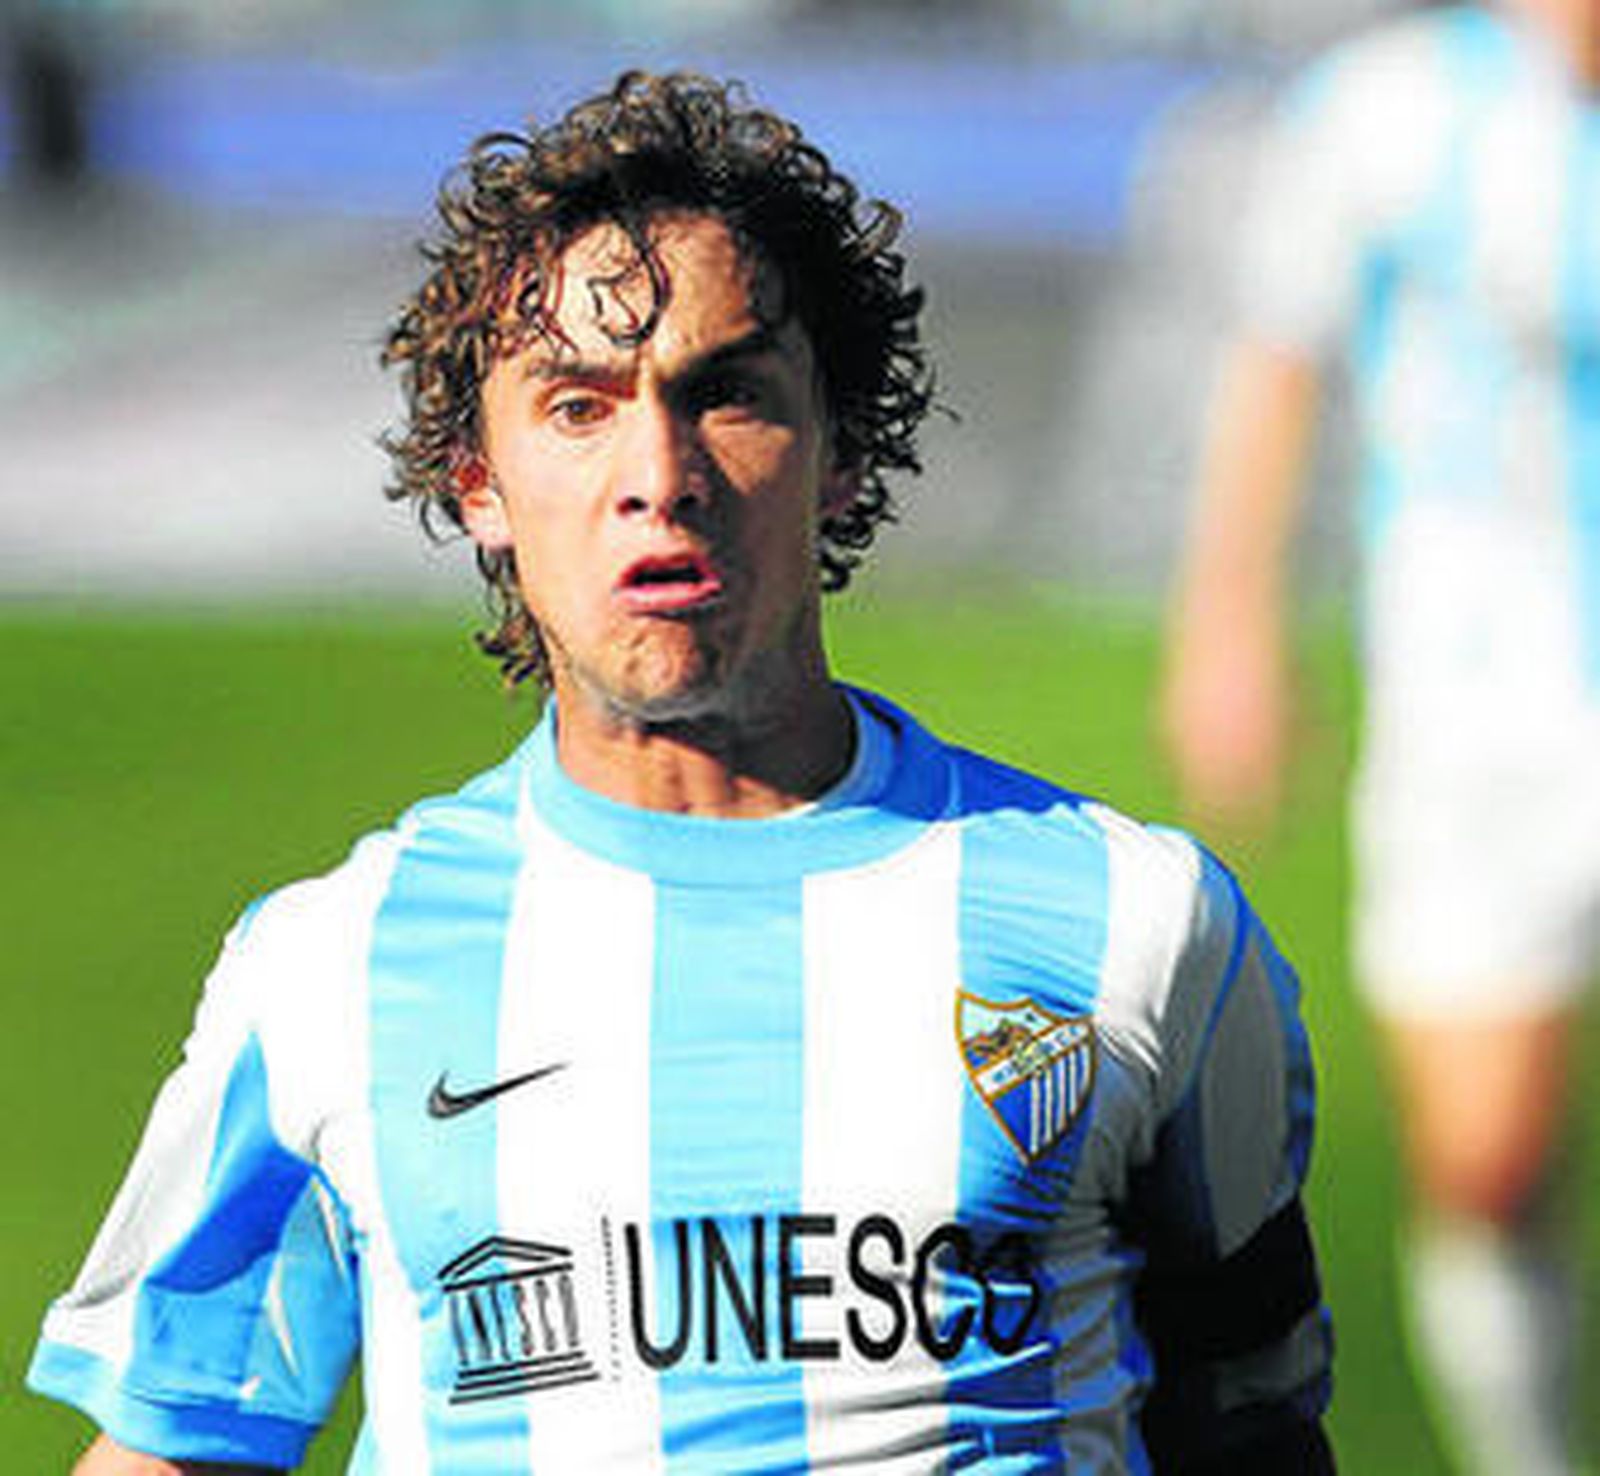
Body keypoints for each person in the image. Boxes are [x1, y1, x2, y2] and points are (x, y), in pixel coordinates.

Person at [30, 70, 1333, 1473]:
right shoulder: (332, 971)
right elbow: (175, 1444)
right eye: (579, 407)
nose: (661, 471)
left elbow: (1254, 1424)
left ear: (838, 451)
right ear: (480, 487)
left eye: (726, 396)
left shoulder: (1140, 928)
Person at [1163, 4, 1600, 1473]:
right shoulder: (1390, 111)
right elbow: (1280, 361)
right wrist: (1231, 622)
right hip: (1479, 704)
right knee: (1488, 1164)